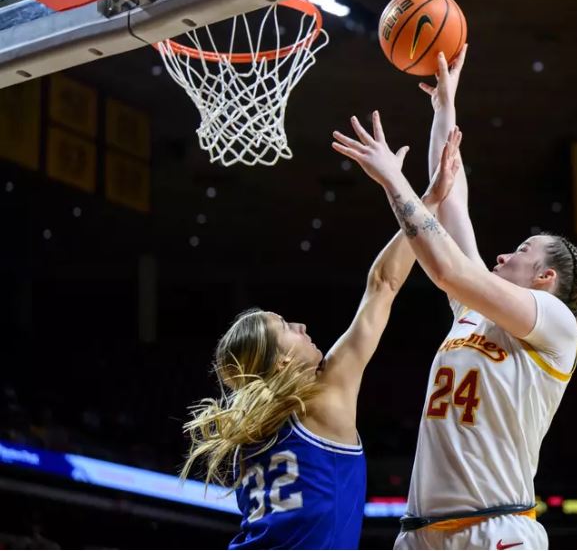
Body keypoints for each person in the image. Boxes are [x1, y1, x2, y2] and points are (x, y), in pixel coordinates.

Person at [330, 50, 577, 550]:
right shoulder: (473, 311)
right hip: (421, 534)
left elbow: (444, 265)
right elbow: (450, 197)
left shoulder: (555, 322)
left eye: (521, 251)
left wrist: (393, 180)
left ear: (545, 277)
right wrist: (444, 109)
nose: (503, 253)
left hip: (495, 531)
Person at [179, 130, 463, 550]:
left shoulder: (248, 437)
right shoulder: (322, 397)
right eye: (286, 328)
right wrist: (427, 198)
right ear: (278, 364)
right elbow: (383, 284)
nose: (302, 326)